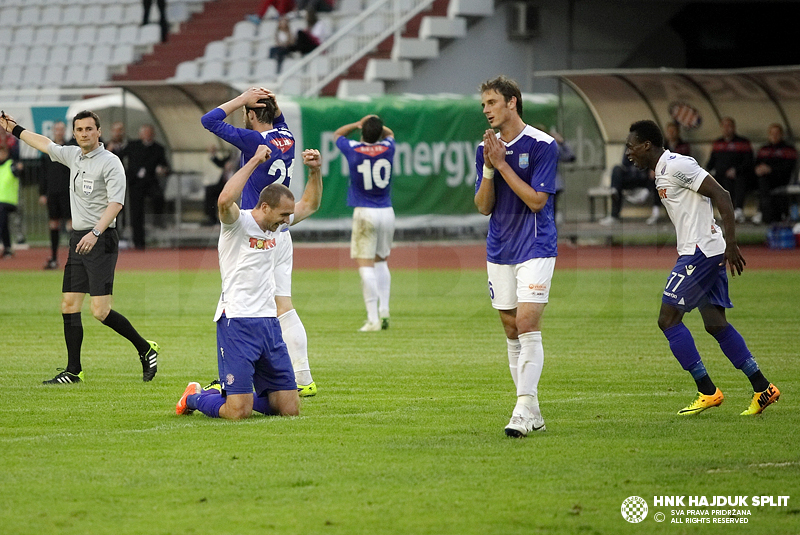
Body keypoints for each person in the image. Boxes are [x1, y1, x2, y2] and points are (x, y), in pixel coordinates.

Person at [625, 119, 780, 416]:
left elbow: (723, 195)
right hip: (705, 249)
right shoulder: (661, 171)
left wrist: (732, 243)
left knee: (668, 319)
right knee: (715, 324)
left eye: (632, 147)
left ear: (647, 145)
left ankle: (707, 391)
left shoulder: (677, 165)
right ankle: (763, 388)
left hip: (700, 253)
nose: (629, 153)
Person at [0, 110, 160, 384]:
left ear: (98, 132)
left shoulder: (111, 162)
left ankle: (145, 348)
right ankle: (74, 371)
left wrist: (96, 232)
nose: (84, 133)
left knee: (100, 311)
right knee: (69, 305)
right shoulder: (73, 155)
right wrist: (13, 128)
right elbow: (44, 143)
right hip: (78, 239)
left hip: (101, 239)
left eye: (89, 128)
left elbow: (116, 204)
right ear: (74, 133)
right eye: (79, 129)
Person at [175, 145, 323, 420]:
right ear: (264, 207)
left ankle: (232, 392)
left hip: (269, 323)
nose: (285, 222)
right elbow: (224, 199)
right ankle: (194, 397)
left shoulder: (277, 225)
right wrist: (255, 160)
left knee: (289, 409)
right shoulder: (237, 222)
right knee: (237, 412)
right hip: (237, 321)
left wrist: (315, 171)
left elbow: (311, 204)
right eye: (281, 215)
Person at [201, 87, 317, 397]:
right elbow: (277, 120)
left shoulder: (254, 140)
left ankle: (234, 377)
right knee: (281, 305)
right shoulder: (286, 138)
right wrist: (270, 105)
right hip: (282, 230)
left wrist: (241, 99)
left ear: (252, 114)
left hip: (254, 229)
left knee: (237, 301)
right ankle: (302, 377)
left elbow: (208, 120)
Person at [473, 76, 559, 438]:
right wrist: (491, 167)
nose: (486, 110)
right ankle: (533, 410)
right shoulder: (485, 149)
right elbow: (482, 206)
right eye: (483, 105)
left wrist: (503, 164)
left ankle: (522, 409)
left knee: (526, 322)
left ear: (512, 102)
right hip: (500, 247)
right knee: (511, 328)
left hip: (535, 246)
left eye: (491, 102)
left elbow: (538, 200)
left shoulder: (543, 144)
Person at [333, 115, 396, 332]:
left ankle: (372, 319)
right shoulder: (388, 147)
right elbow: (389, 134)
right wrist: (376, 125)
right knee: (381, 261)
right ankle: (385, 309)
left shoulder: (353, 148)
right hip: (387, 211)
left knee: (365, 264)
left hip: (364, 212)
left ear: (362, 132)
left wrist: (358, 123)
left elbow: (338, 134)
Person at [118, 124, 169, 250]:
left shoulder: (158, 148)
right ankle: (139, 242)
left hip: (151, 182)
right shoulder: (132, 145)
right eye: (145, 132)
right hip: (135, 183)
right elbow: (119, 157)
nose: (147, 135)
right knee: (136, 213)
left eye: (149, 132)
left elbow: (165, 165)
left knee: (158, 197)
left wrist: (162, 169)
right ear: (140, 134)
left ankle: (158, 221)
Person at [706, 117, 754, 223]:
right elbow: (711, 162)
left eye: (729, 126)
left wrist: (736, 170)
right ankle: (724, 211)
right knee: (717, 182)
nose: (727, 128)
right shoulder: (717, 143)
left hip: (739, 174)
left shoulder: (743, 143)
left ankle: (738, 210)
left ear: (734, 127)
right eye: (724, 126)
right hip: (721, 175)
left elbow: (749, 162)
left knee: (739, 180)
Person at [39, 121, 72, 270]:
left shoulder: (71, 148)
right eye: (56, 129)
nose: (59, 132)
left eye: (61, 129)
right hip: (52, 192)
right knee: (53, 224)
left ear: (65, 131)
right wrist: (42, 193)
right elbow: (43, 174)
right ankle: (53, 258)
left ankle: (75, 259)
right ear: (53, 131)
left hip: (68, 192)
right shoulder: (47, 150)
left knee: (71, 224)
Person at [753, 123, 797, 224]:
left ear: (782, 135)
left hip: (781, 177)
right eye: (772, 133)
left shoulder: (788, 149)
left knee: (764, 181)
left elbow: (788, 167)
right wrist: (758, 169)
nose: (774, 136)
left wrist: (771, 169)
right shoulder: (764, 149)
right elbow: (755, 163)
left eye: (777, 133)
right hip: (763, 177)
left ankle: (762, 212)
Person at [598, 151, 658, 226]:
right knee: (617, 169)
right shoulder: (629, 147)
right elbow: (624, 164)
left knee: (656, 175)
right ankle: (614, 194)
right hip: (631, 177)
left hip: (644, 178)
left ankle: (656, 213)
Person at [203, 146, 237, 226]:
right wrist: (213, 155)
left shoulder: (241, 157)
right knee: (209, 191)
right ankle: (211, 218)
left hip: (234, 185)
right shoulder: (232, 155)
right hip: (224, 184)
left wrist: (234, 166)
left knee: (213, 191)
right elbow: (221, 163)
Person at [0, 145, 20, 258]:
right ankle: (7, 248)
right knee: (3, 225)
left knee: (2, 223)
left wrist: (19, 168)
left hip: (8, 201)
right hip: (1, 202)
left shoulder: (11, 165)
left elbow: (17, 171)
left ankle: (7, 247)